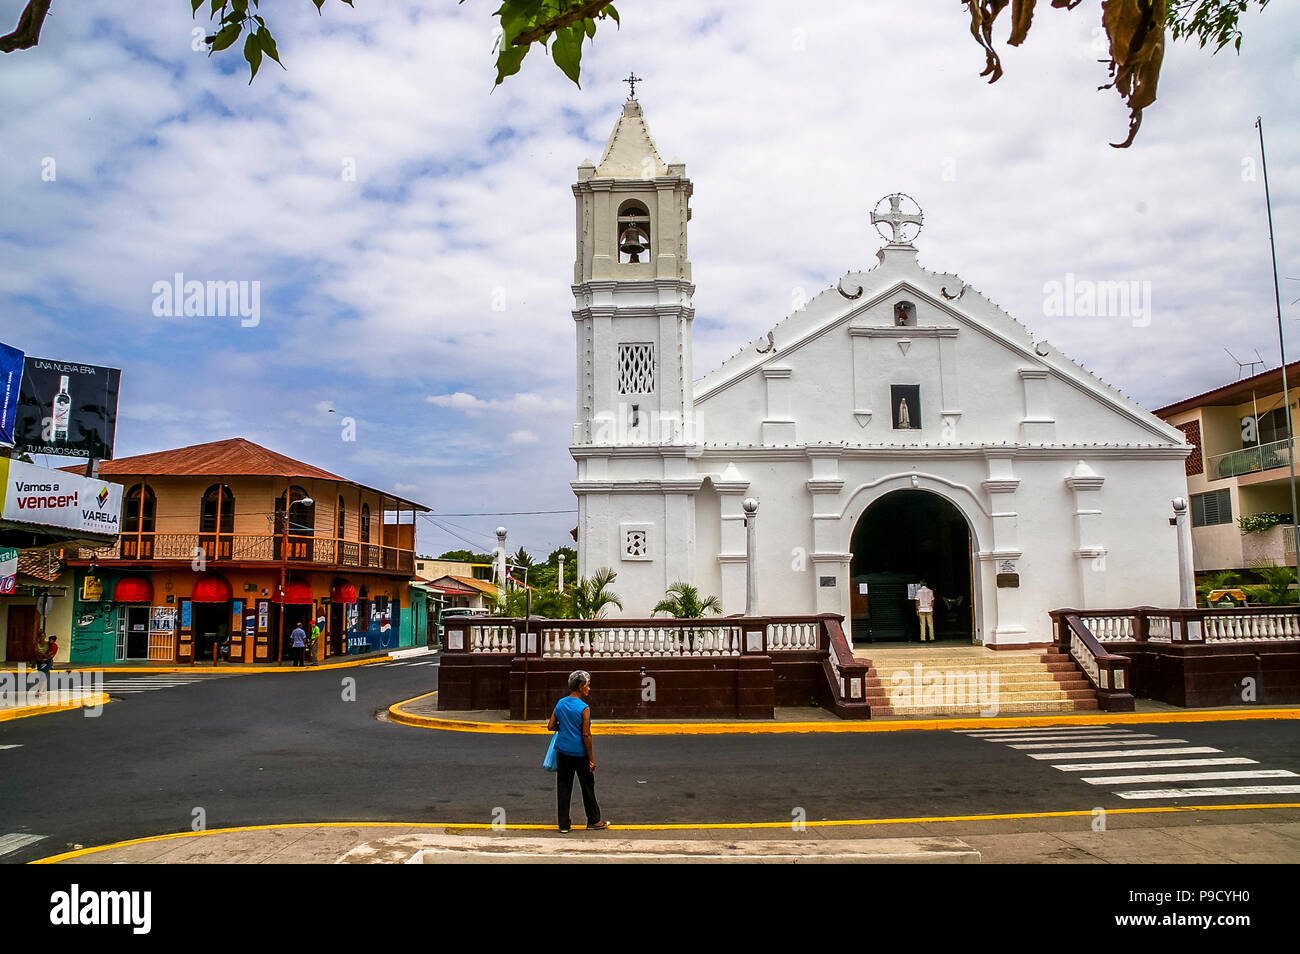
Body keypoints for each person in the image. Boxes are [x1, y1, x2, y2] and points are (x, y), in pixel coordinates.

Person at [547, 670, 609, 834]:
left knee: (563, 786)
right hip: (580, 753)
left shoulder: (560, 703)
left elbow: (551, 726)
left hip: (562, 752)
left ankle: (564, 824)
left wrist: (565, 728)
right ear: (581, 687)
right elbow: (586, 734)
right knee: (587, 786)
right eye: (588, 685)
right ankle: (594, 820)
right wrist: (591, 759)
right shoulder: (584, 708)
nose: (589, 688)